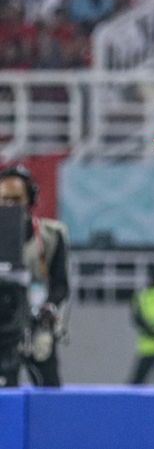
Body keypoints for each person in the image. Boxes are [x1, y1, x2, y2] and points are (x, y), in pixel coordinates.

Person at [0, 165, 69, 387]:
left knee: (49, 385)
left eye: (16, 199)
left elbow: (61, 284)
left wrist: (50, 306)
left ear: (30, 199)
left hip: (35, 321)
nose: (9, 205)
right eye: (4, 199)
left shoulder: (51, 235)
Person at [128, 266, 154, 385]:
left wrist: (151, 331)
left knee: (137, 383)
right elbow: (137, 318)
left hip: (151, 346)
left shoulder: (142, 295)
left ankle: (128, 402)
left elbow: (136, 319)